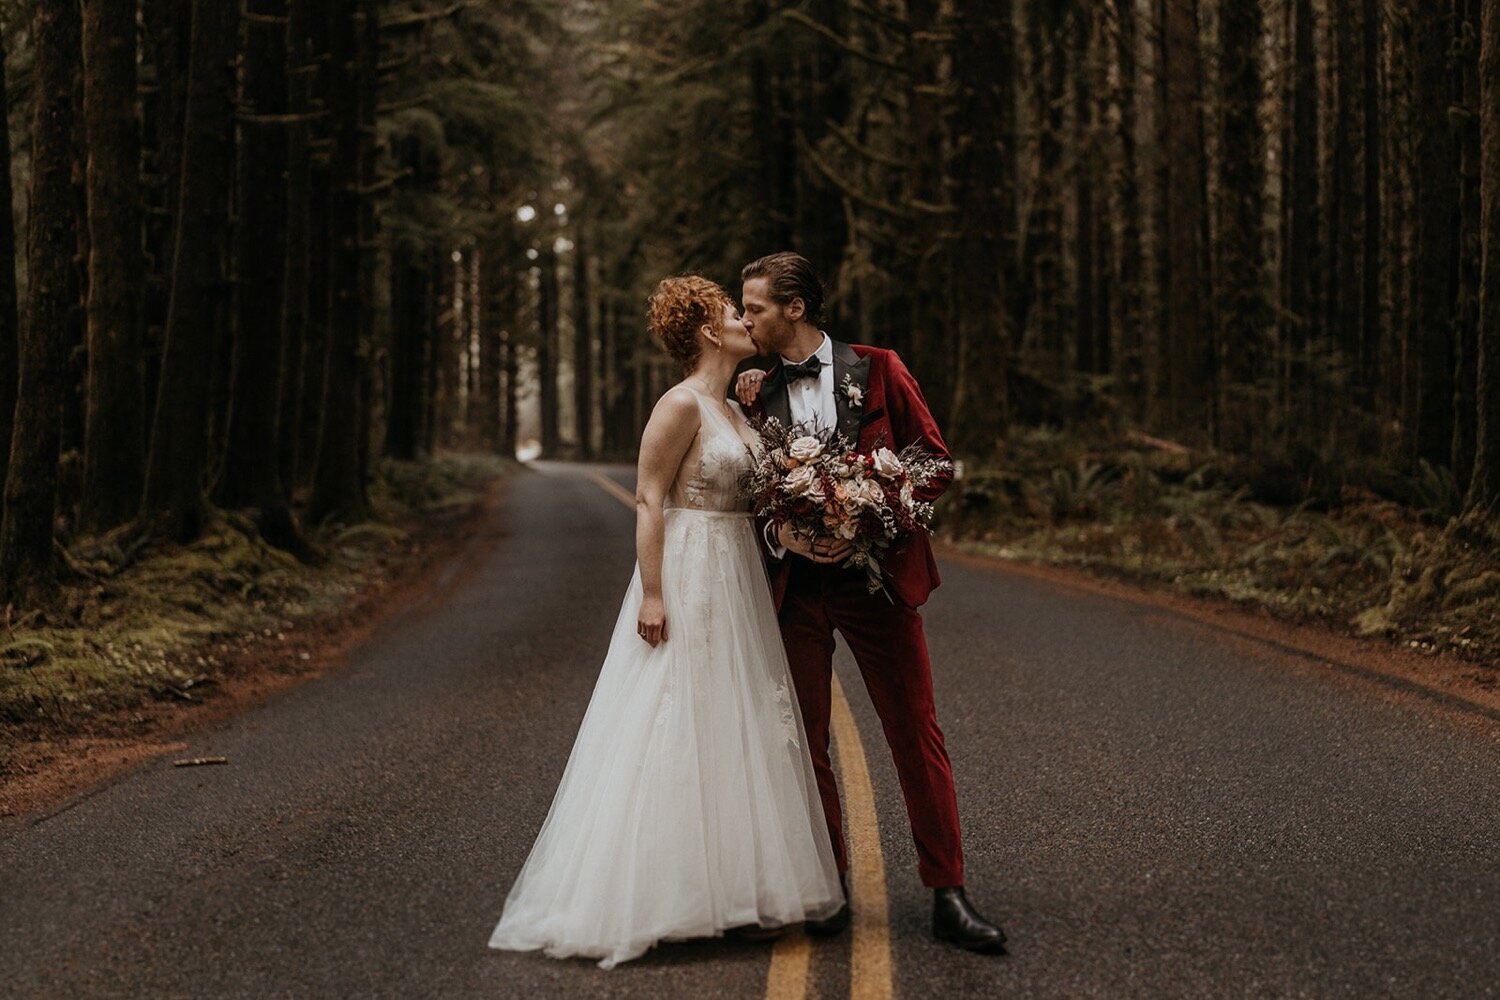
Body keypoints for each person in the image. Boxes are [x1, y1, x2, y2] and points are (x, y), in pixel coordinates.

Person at [488, 276, 843, 969]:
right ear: (710, 332)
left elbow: (757, 505)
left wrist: (808, 536)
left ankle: (735, 888)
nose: (745, 321)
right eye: (731, 314)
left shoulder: (737, 411)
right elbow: (649, 499)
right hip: (688, 569)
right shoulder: (680, 405)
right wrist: (653, 593)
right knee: (673, 714)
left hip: (737, 570)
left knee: (729, 719)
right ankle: (661, 894)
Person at [735, 251, 1007, 953]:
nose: (745, 319)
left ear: (795, 308)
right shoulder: (751, 391)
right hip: (796, 592)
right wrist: (784, 530)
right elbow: (744, 495)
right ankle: (831, 886)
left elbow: (936, 461)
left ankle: (949, 893)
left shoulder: (880, 367)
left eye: (756, 307)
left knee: (915, 732)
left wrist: (872, 508)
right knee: (807, 741)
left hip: (876, 584)